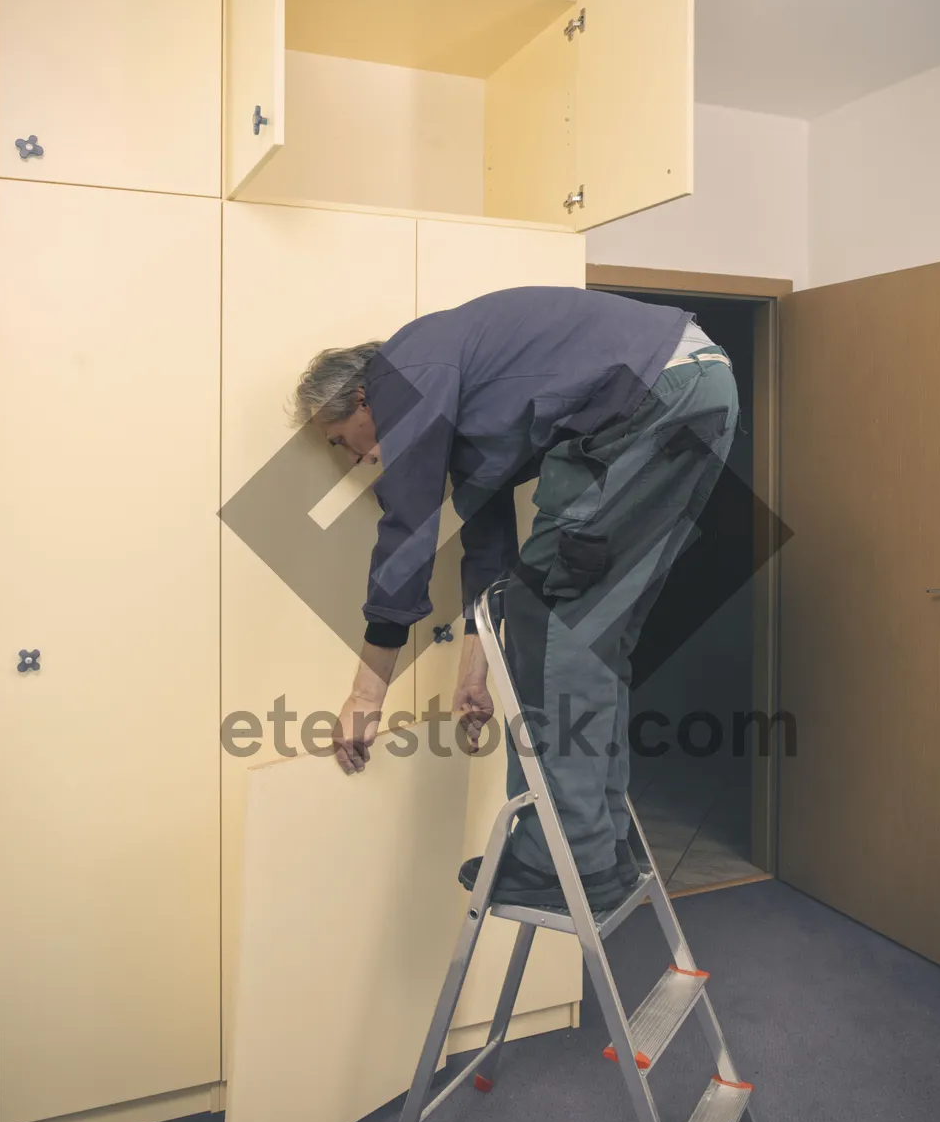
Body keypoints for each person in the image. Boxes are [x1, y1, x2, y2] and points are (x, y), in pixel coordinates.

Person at [293, 285, 737, 916]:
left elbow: (408, 530)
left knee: (549, 623)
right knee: (590, 630)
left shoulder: (404, 370)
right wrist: (473, 668)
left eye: (342, 439)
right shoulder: (463, 384)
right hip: (699, 390)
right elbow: (489, 541)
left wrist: (366, 696)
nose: (358, 457)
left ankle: (562, 860)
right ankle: (606, 848)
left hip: (650, 399)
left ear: (363, 397)